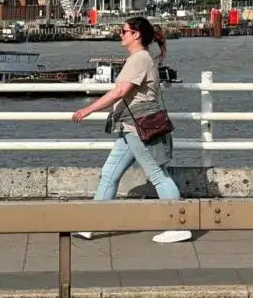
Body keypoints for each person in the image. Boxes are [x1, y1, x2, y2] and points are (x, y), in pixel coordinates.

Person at [70, 16, 191, 244]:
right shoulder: (141, 59)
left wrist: (88, 109)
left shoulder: (139, 60)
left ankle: (178, 225)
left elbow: (120, 92)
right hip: (130, 126)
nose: (120, 34)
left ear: (136, 35)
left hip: (138, 127)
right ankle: (90, 225)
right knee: (110, 173)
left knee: (157, 175)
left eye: (123, 31)